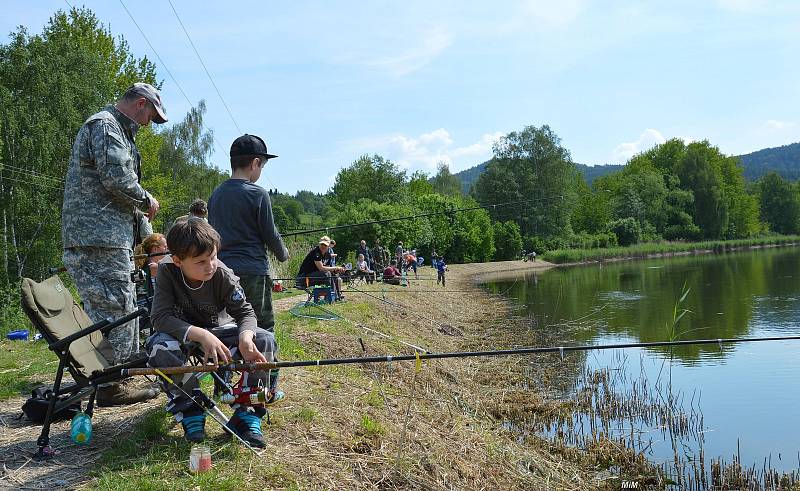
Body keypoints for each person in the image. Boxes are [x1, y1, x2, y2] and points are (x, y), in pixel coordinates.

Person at [62, 82, 166, 406]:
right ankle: (111, 385)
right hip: (97, 238)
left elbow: (118, 192)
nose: (149, 123)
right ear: (140, 104)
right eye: (151, 115)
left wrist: (146, 232)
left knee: (126, 305)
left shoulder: (117, 131)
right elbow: (117, 179)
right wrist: (147, 199)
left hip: (108, 237)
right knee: (115, 306)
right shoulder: (105, 126)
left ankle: (126, 374)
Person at [148, 219, 280, 447]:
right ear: (178, 260)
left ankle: (247, 412)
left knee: (265, 339)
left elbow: (246, 312)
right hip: (183, 335)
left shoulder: (222, 273)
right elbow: (159, 317)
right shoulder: (166, 271)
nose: (210, 265)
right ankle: (190, 410)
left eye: (213, 257)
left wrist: (246, 338)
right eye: (200, 261)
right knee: (159, 347)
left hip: (222, 330)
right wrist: (201, 335)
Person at [208, 134, 288, 335]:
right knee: (262, 326)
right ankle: (265, 366)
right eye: (262, 166)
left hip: (222, 271)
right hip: (253, 271)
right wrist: (283, 254)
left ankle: (232, 364)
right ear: (255, 163)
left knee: (228, 324)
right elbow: (270, 234)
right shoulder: (258, 193)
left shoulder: (215, 195)